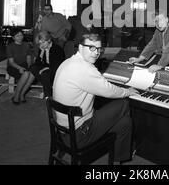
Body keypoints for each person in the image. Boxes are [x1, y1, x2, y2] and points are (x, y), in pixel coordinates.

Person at [53, 32, 138, 164]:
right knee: (123, 104)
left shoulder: (68, 62)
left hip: (63, 131)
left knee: (125, 123)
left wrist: (100, 79)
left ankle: (119, 159)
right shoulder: (84, 69)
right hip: (79, 134)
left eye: (98, 49)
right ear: (81, 48)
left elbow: (93, 82)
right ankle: (129, 149)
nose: (96, 53)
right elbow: (109, 91)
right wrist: (128, 91)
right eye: (91, 48)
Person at [29, 31, 64, 97]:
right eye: (40, 43)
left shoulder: (57, 49)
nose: (41, 45)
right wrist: (42, 52)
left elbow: (57, 65)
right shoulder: (42, 48)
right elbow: (37, 63)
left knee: (45, 75)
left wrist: (45, 69)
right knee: (32, 67)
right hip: (46, 68)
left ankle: (48, 97)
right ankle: (49, 87)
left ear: (49, 40)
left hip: (55, 69)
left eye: (43, 42)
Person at [6, 28, 35, 104]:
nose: (20, 37)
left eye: (21, 35)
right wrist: (19, 68)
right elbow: (11, 62)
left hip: (24, 64)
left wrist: (29, 67)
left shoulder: (26, 45)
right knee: (26, 74)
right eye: (17, 36)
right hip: (13, 66)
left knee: (32, 74)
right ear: (13, 37)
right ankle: (16, 95)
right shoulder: (10, 46)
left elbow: (28, 58)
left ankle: (22, 94)